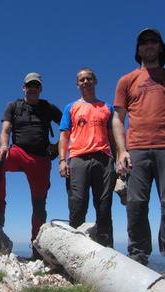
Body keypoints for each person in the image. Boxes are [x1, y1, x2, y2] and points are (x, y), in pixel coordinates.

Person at [112, 29, 165, 285]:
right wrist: (121, 151)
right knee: (136, 203)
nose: (149, 46)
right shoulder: (126, 80)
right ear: (138, 50)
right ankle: (138, 257)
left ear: (160, 48)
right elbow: (117, 118)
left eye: (153, 42)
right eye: (144, 43)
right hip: (136, 148)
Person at [0, 72, 62, 259]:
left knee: (39, 204)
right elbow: (5, 129)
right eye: (29, 85)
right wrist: (3, 146)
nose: (32, 89)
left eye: (36, 85)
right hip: (18, 152)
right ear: (24, 87)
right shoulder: (13, 106)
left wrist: (57, 146)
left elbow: (68, 126)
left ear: (40, 88)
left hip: (41, 158)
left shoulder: (48, 107)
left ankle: (37, 248)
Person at [58, 67, 116, 247]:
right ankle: (76, 250)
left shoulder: (107, 108)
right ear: (77, 84)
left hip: (104, 159)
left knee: (104, 206)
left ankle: (107, 251)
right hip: (78, 159)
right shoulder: (71, 107)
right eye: (82, 79)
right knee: (77, 205)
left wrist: (119, 157)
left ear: (95, 81)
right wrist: (62, 160)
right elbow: (64, 136)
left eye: (89, 78)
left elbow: (113, 136)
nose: (85, 82)